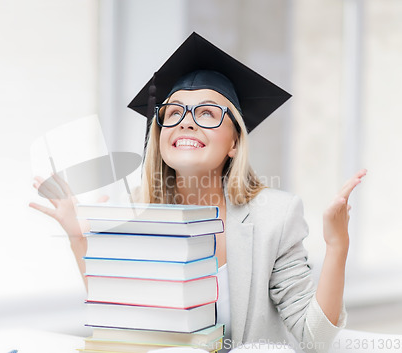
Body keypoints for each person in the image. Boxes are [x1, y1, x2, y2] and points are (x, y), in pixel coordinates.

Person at [29, 33, 367, 353]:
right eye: (174, 112)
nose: (186, 122)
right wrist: (79, 238)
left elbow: (316, 338)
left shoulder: (274, 217)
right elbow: (126, 322)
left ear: (234, 142)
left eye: (207, 112)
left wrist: (337, 246)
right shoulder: (138, 213)